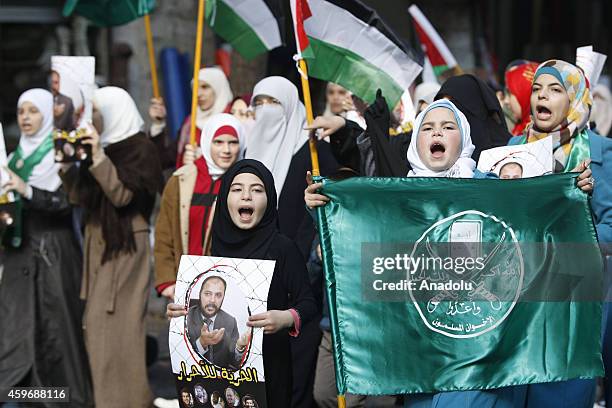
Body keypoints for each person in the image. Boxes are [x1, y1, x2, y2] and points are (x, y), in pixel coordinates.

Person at [307, 99, 533, 407]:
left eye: (448, 127)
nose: (436, 132)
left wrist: (571, 192)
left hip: (476, 351)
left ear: (464, 138)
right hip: (419, 357)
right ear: (417, 141)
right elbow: (359, 238)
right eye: (427, 127)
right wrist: (322, 210)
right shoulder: (397, 197)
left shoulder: (492, 192)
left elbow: (532, 231)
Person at [167, 159, 318, 407]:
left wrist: (286, 318)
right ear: (225, 199)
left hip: (270, 373)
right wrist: (179, 312)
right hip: (218, 380)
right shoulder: (214, 244)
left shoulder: (282, 248)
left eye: (257, 190)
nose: (246, 196)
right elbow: (198, 309)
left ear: (269, 199)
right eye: (237, 189)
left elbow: (309, 303)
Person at [508, 59, 611, 408]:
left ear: (574, 98)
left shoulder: (600, 152)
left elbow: (610, 222)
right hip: (519, 295)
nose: (542, 96)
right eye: (537, 89)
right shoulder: (510, 146)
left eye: (554, 89)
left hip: (574, 296)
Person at [59, 86, 162, 408]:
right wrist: (66, 165)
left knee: (116, 331)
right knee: (97, 329)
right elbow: (80, 198)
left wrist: (99, 158)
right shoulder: (102, 147)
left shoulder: (140, 149)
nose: (94, 121)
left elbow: (122, 197)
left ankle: (126, 401)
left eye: (98, 114)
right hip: (99, 246)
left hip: (124, 248)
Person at [0, 88, 93, 407]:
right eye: (21, 111)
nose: (25, 117)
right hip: (19, 255)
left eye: (33, 110)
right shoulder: (14, 158)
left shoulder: (60, 155)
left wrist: (26, 189)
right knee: (20, 329)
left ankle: (64, 400)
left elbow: (68, 203)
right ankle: (26, 398)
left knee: (57, 331)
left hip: (54, 252)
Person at [154, 113, 245, 300]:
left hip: (230, 288)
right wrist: (167, 281)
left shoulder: (247, 182)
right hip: (184, 285)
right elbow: (165, 234)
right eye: (218, 142)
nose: (226, 150)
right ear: (207, 142)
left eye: (233, 142)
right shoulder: (182, 179)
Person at [434, 74, 512, 160]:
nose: (447, 111)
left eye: (454, 103)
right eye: (441, 105)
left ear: (476, 105)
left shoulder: (512, 153)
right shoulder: (439, 157)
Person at [186, 276, 247, 369]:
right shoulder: (186, 317)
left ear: (223, 297)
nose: (212, 300)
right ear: (200, 294)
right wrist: (201, 343)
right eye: (207, 294)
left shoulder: (230, 321)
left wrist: (239, 347)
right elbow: (180, 356)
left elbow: (234, 363)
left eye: (218, 295)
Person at [177, 67, 234, 166]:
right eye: (195, 88)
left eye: (205, 87)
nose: (198, 94)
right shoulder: (189, 122)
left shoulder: (232, 119)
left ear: (218, 88)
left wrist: (203, 158)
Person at [503, 60, 539, 136]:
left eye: (510, 93)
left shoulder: (537, 135)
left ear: (524, 95)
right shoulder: (519, 128)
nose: (506, 101)